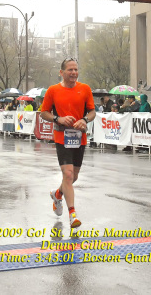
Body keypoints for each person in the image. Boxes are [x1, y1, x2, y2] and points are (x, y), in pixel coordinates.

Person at [41, 57, 96, 228]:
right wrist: (59, 118)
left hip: (79, 137)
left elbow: (93, 111)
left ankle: (57, 194)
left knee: (74, 176)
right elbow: (44, 113)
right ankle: (73, 214)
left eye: (76, 70)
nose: (74, 73)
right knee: (68, 175)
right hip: (61, 137)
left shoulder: (85, 89)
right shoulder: (53, 90)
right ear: (62, 72)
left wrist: (85, 120)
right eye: (70, 70)